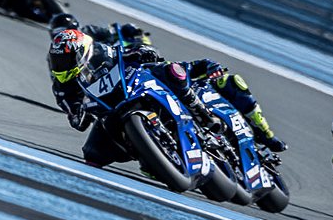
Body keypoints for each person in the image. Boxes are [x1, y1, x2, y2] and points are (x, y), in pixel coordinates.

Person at [47, 28, 228, 168]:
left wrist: (141, 51)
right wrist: (80, 114)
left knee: (171, 71)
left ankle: (204, 115)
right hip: (109, 112)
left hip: (133, 87)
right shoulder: (62, 88)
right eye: (58, 60)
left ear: (82, 53)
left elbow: (124, 52)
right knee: (93, 155)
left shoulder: (101, 52)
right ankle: (150, 159)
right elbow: (76, 120)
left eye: (65, 60)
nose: (60, 65)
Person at [48, 14, 153, 51]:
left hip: (113, 55)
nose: (62, 36)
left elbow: (108, 32)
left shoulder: (87, 31)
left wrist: (126, 30)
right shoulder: (57, 54)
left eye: (62, 32)